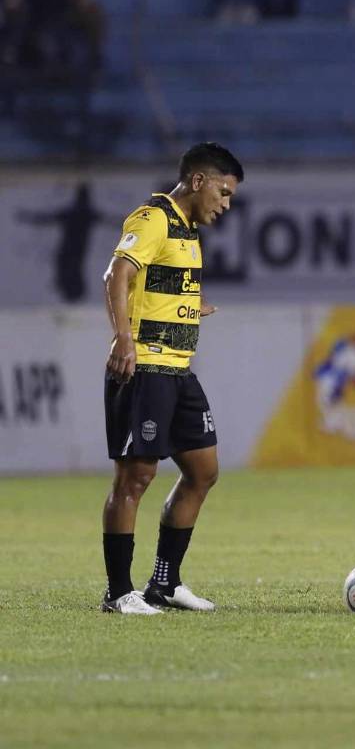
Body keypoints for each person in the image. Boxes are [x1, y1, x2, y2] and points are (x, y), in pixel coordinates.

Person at [100, 142, 244, 614]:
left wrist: (187, 308)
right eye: (223, 193)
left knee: (203, 471)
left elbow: (153, 286)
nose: (226, 205)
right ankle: (119, 592)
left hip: (179, 371)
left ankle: (164, 583)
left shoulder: (188, 231)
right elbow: (116, 276)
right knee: (136, 477)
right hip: (143, 368)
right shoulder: (153, 217)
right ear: (198, 181)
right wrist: (123, 338)